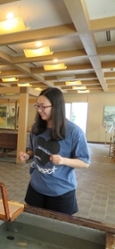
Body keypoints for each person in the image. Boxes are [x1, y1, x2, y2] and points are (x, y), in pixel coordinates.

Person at [18, 87, 90, 215]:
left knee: (58, 229)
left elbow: (84, 162)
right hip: (36, 186)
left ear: (56, 106)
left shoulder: (74, 132)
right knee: (33, 224)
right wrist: (27, 155)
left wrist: (63, 160)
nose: (39, 110)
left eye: (43, 106)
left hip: (61, 191)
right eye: (37, 106)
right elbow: (32, 150)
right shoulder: (36, 127)